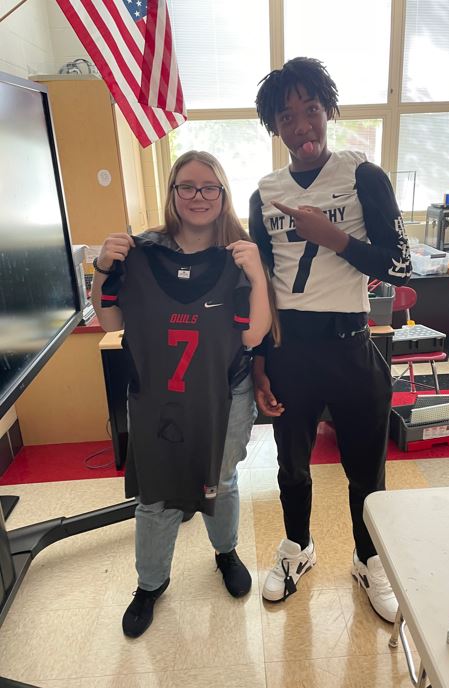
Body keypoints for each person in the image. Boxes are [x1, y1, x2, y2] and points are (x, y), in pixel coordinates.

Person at [249, 57, 411, 622]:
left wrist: (336, 239)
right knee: (291, 465)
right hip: (291, 351)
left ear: (328, 112)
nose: (302, 126)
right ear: (275, 126)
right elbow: (261, 288)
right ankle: (299, 548)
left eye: (311, 110)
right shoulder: (264, 192)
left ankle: (370, 560)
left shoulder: (364, 174)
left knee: (366, 469)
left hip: (350, 345)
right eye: (287, 116)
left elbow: (400, 264)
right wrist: (261, 364)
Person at [92, 150, 272, 637]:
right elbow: (109, 320)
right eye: (187, 186)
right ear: (172, 193)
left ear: (222, 195)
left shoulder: (239, 256)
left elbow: (254, 336)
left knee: (222, 478)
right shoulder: (140, 252)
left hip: (223, 395)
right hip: (156, 397)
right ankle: (150, 583)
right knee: (155, 495)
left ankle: (225, 551)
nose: (198, 196)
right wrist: (101, 271)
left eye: (208, 187)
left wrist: (256, 276)